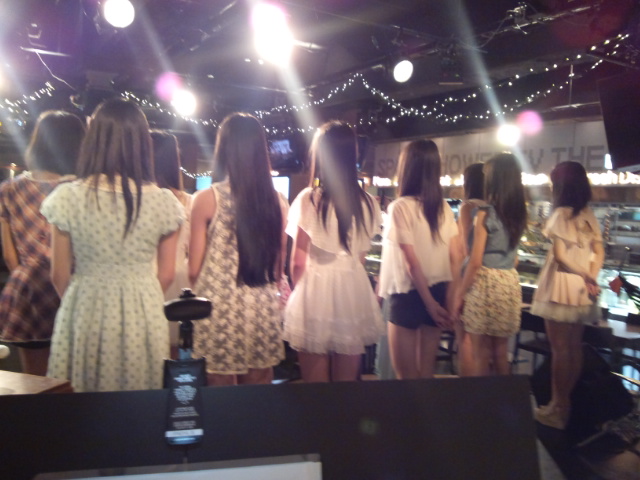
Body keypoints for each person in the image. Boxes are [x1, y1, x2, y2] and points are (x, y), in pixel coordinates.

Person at [41, 99, 184, 392]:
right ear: (142, 143)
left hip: (85, 307)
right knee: (137, 400)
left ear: (93, 139)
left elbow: (59, 274)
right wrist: (138, 296)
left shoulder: (68, 197)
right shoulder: (163, 202)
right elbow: (167, 274)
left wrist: (83, 301)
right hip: (142, 309)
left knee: (81, 401)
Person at [189, 113, 287, 386]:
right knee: (258, 385)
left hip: (217, 304)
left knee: (219, 389)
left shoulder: (206, 199)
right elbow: (278, 266)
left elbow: (194, 270)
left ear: (224, 149)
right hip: (260, 303)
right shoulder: (277, 202)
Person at [284, 121, 383, 383]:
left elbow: (297, 262)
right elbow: (361, 256)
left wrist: (298, 294)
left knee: (315, 387)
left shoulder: (309, 199)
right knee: (345, 387)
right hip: (352, 289)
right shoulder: (368, 203)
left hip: (315, 288)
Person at [0, 111, 85, 376]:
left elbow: (9, 255)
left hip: (28, 289)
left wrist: (26, 274)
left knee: (33, 381)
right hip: (71, 287)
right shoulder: (79, 189)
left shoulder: (8, 190)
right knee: (73, 380)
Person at [378, 139, 462, 379]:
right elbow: (456, 256)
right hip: (437, 291)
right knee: (426, 374)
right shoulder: (444, 208)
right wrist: (449, 300)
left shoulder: (400, 207)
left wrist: (430, 305)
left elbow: (411, 264)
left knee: (405, 376)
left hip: (408, 294)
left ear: (407, 167)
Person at [530, 161, 604, 430]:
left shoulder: (560, 214)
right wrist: (590, 275)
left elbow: (560, 256)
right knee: (573, 347)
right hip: (582, 289)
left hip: (561, 284)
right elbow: (600, 252)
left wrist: (583, 274)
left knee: (560, 349)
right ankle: (565, 404)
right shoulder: (588, 214)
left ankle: (558, 407)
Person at [453, 153, 527, 377]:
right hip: (508, 281)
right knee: (501, 352)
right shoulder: (518, 214)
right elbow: (515, 258)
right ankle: (502, 397)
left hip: (484, 283)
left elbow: (475, 261)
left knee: (480, 353)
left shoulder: (484, 214)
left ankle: (478, 398)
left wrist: (459, 295)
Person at [151, 130, 192, 357]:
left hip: (147, 276)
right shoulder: (188, 201)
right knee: (179, 355)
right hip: (181, 279)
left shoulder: (140, 199)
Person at [455, 162, 486, 376]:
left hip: (467, 273)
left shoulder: (468, 207)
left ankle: (465, 386)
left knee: (464, 338)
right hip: (489, 277)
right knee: (483, 345)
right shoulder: (493, 207)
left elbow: (465, 244)